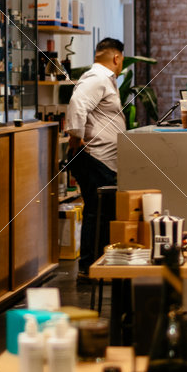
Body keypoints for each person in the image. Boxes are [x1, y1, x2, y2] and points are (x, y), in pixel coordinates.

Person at [65, 37, 126, 276]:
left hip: (102, 159)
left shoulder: (103, 79)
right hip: (95, 157)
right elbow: (77, 103)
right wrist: (75, 138)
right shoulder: (98, 77)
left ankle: (94, 266)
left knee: (100, 211)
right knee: (98, 212)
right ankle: (90, 268)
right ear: (116, 58)